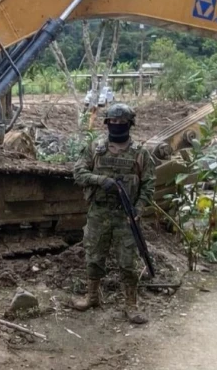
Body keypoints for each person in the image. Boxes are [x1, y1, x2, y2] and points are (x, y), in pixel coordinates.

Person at [71, 103, 155, 324]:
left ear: (130, 124)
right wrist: (101, 180)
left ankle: (131, 305)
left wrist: (138, 209)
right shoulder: (96, 148)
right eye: (113, 122)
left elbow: (148, 185)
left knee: (128, 261)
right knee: (94, 256)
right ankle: (92, 297)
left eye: (122, 123)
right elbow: (78, 172)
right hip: (99, 212)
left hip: (125, 216)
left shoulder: (140, 153)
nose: (117, 126)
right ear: (107, 123)